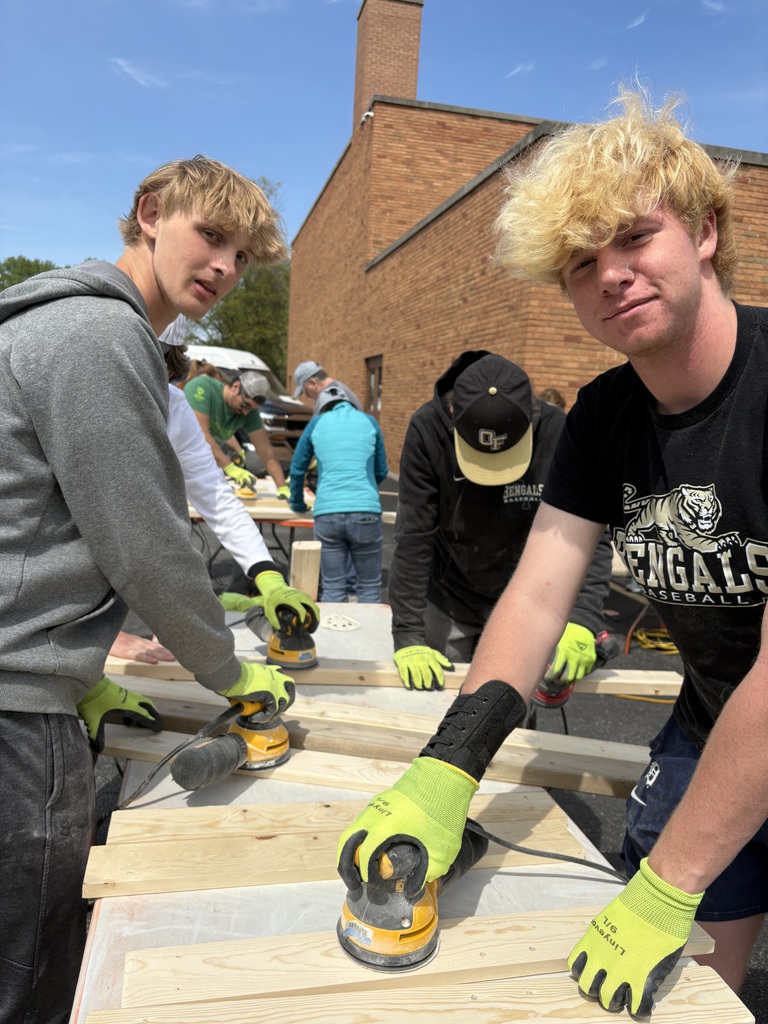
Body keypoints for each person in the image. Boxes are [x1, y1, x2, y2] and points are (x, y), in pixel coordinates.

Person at [337, 89, 763, 1016]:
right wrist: (448, 767)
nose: (611, 275)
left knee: (669, 895)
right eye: (580, 262)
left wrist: (667, 885)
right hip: (715, 718)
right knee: (695, 988)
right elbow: (536, 592)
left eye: (634, 238)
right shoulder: (604, 416)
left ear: (704, 232)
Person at [0, 155, 312, 1022]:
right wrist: (230, 671)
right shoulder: (97, 335)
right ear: (149, 213)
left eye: (241, 256)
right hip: (15, 714)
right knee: (27, 969)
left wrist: (86, 676)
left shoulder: (54, 323)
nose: (224, 266)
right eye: (211, 236)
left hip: (23, 681)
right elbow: (142, 540)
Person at [83, 318, 320, 752]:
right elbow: (137, 549)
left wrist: (268, 577)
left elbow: (214, 496)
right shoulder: (81, 397)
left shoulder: (173, 406)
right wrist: (225, 671)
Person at [389, 350, 612, 690]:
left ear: (530, 415)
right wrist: (408, 634)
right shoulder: (427, 429)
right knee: (443, 700)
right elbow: (414, 537)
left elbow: (588, 531)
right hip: (450, 593)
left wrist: (582, 617)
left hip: (526, 595)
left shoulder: (557, 430)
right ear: (453, 413)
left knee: (511, 703)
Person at [289, 385, 388, 602]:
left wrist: (297, 503)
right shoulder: (369, 421)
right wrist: (364, 492)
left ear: (323, 408)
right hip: (366, 513)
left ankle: (331, 625)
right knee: (369, 587)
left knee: (332, 587)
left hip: (327, 514)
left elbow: (297, 469)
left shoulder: (317, 423)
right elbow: (381, 470)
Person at [184, 368, 290, 498]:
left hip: (196, 469)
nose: (246, 412)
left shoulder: (249, 411)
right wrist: (230, 468)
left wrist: (282, 486)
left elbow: (265, 451)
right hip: (172, 461)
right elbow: (200, 435)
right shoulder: (202, 387)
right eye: (245, 405)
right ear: (235, 387)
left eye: (252, 409)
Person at [292, 359, 364, 412]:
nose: (307, 396)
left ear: (312, 383)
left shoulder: (331, 398)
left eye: (304, 390)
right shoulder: (339, 389)